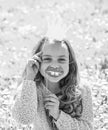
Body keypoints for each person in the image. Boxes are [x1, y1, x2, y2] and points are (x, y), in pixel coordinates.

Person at [12, 37, 94, 130]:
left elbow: (88, 127)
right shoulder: (30, 87)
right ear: (38, 60)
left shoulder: (82, 89)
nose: (55, 65)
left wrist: (58, 115)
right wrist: (30, 78)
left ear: (70, 63)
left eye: (61, 60)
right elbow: (23, 119)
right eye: (47, 59)